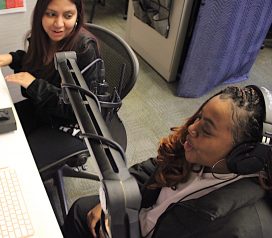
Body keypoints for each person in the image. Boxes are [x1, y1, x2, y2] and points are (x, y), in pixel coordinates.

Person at [63, 85, 272, 238]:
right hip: (140, 220)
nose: (191, 128)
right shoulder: (196, 151)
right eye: (199, 117)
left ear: (244, 154)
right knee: (81, 210)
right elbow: (153, 168)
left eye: (206, 129)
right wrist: (112, 202)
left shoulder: (240, 227)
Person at [0, 0, 102, 139]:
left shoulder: (85, 50)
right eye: (51, 14)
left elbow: (80, 110)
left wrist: (35, 85)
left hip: (69, 123)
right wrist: (14, 58)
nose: (58, 24)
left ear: (77, 16)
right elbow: (41, 64)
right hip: (43, 108)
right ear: (40, 15)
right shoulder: (43, 37)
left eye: (68, 16)